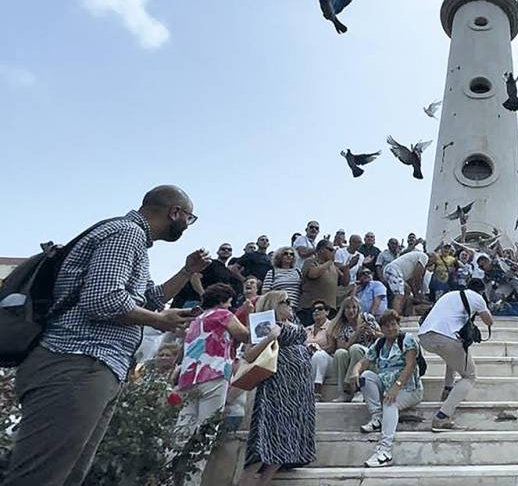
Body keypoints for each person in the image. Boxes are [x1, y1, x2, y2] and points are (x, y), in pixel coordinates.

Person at [4, 185, 208, 486]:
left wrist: (185, 272)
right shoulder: (126, 234)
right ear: (174, 213)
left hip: (90, 367)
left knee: (68, 476)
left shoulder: (132, 240)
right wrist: (159, 320)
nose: (187, 226)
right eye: (189, 219)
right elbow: (102, 299)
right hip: (76, 362)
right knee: (40, 477)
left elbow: (148, 299)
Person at [239, 290, 315, 486]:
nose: (290, 304)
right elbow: (249, 356)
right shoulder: (265, 323)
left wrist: (308, 350)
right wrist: (269, 337)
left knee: (287, 440)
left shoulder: (295, 323)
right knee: (266, 439)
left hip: (299, 389)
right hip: (277, 387)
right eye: (285, 301)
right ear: (274, 304)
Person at [175, 283, 249, 483]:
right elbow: (244, 335)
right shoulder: (224, 315)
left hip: (188, 377)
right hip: (213, 374)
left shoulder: (197, 319)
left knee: (182, 432)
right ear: (224, 301)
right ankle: (192, 482)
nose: (230, 306)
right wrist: (248, 315)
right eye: (230, 302)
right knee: (206, 433)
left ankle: (165, 478)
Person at [348, 310, 423, 468]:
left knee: (390, 403)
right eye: (387, 326)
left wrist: (396, 387)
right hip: (386, 386)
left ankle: (385, 451)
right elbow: (363, 362)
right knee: (366, 376)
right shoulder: (380, 343)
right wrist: (355, 371)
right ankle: (377, 417)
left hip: (409, 389)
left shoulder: (407, 339)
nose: (391, 328)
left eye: (394, 324)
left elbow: (410, 365)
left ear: (398, 325)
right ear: (381, 328)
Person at [418, 279, 494, 431]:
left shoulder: (449, 295)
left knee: (452, 357)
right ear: (480, 291)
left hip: (425, 336)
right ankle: (442, 417)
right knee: (470, 377)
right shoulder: (477, 298)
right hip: (446, 337)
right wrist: (482, 307)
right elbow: (489, 321)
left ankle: (447, 389)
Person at [318, 296, 380, 402]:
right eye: (347, 308)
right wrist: (356, 334)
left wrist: (373, 333)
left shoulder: (367, 318)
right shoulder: (341, 326)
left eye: (354, 307)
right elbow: (343, 347)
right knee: (340, 353)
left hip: (370, 355)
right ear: (343, 310)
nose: (351, 310)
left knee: (355, 349)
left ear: (358, 308)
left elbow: (383, 336)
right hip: (352, 356)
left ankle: (354, 388)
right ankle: (344, 393)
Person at [300, 239, 340, 326]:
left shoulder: (333, 266)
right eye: (331, 250)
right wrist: (330, 262)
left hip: (329, 310)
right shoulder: (311, 261)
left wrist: (348, 267)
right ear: (321, 250)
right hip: (311, 308)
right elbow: (313, 274)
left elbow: (344, 282)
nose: (333, 252)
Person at [305, 300, 335, 397]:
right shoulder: (306, 330)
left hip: (328, 361)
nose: (316, 311)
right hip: (309, 359)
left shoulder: (332, 326)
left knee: (319, 355)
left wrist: (317, 349)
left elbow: (332, 347)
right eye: (313, 310)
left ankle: (317, 389)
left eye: (320, 309)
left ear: (327, 312)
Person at [261, 246, 302, 311]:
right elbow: (265, 293)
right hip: (278, 308)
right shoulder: (272, 272)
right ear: (279, 256)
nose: (289, 256)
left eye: (291, 254)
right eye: (285, 253)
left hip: (296, 308)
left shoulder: (298, 272)